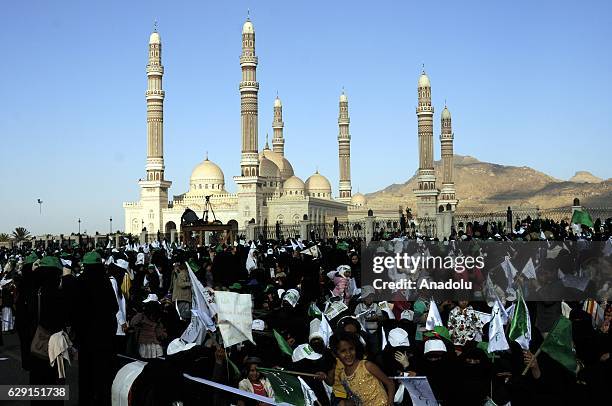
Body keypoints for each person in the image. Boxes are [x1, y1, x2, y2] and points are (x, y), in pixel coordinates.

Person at [73, 251, 118, 406]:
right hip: (104, 337)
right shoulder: (105, 282)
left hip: (85, 338)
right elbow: (114, 307)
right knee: (103, 375)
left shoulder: (79, 282)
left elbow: (74, 312)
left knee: (85, 374)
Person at [328, 332, 395, 406]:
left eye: (351, 349)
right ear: (335, 354)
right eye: (343, 351)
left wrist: (390, 402)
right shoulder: (343, 376)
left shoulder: (367, 366)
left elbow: (390, 383)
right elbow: (356, 399)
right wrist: (344, 403)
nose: (348, 354)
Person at [130, 294, 167, 359]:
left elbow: (132, 323)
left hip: (143, 345)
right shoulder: (159, 318)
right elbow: (161, 334)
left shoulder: (141, 316)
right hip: (155, 347)